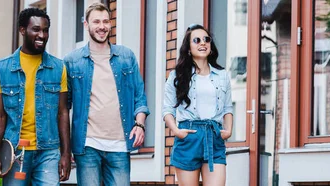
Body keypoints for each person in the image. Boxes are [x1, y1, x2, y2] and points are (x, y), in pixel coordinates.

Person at [63, 2, 149, 186]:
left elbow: (139, 97)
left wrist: (139, 125)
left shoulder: (126, 57)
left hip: (119, 144)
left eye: (105, 21)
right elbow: (63, 107)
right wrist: (64, 148)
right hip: (87, 145)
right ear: (86, 25)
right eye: (96, 22)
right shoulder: (72, 61)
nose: (101, 27)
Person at [0, 8, 71, 185]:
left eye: (45, 30)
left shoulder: (59, 68)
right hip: (15, 152)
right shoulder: (2, 69)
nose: (42, 35)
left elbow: (62, 113)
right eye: (36, 29)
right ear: (22, 30)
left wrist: (66, 153)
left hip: (48, 152)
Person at [162, 24, 233, 186]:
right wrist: (176, 131)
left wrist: (228, 131)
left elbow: (228, 108)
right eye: (197, 40)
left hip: (214, 136)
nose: (203, 43)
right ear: (188, 48)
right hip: (189, 136)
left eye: (206, 39)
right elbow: (167, 109)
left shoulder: (222, 76)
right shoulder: (177, 76)